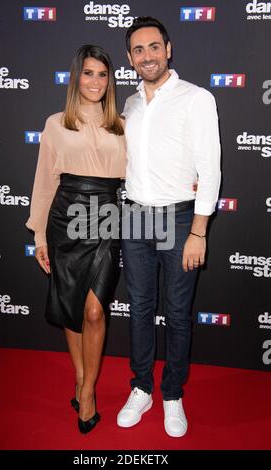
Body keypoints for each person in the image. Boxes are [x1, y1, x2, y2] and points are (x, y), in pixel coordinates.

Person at [117, 17, 221, 437]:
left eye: (154, 47)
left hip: (180, 219)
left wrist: (199, 231)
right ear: (130, 58)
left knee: (178, 313)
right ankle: (141, 387)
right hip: (135, 215)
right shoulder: (129, 104)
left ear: (168, 48)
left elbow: (210, 169)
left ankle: (172, 394)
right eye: (139, 50)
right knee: (140, 308)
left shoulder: (196, 98)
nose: (147, 56)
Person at [26, 45, 126, 434]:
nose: (96, 82)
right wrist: (39, 233)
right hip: (64, 219)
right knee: (71, 307)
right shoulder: (55, 124)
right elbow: (44, 181)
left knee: (95, 311)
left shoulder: (123, 124)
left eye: (103, 75)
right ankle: (84, 381)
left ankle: (86, 392)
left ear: (110, 80)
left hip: (105, 219)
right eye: (88, 73)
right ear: (76, 78)